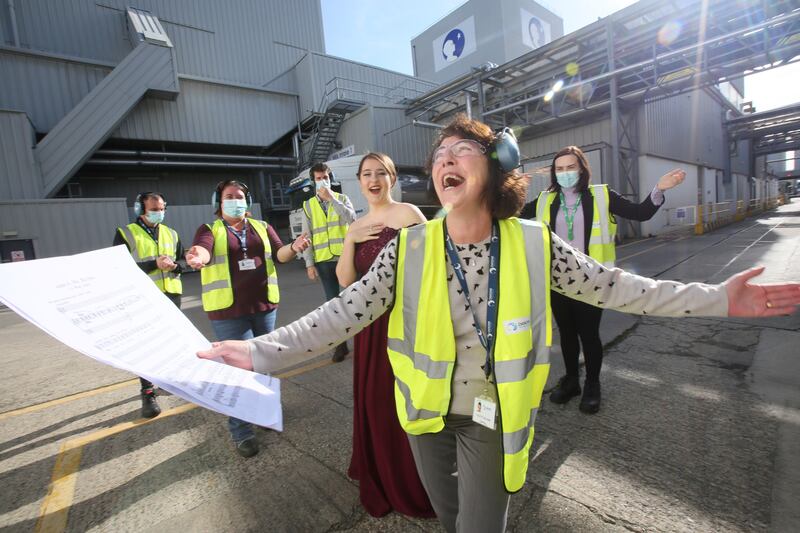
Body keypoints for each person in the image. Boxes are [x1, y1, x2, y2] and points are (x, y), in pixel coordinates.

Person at [198, 116, 800, 532]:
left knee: (482, 526)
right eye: (438, 155)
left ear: (496, 165)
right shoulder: (408, 249)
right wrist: (260, 352)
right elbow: (340, 313)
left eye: (460, 150)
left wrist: (718, 299)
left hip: (491, 416)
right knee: (451, 518)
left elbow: (620, 287)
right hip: (424, 416)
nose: (444, 159)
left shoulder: (535, 243)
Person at [520, 146, 685, 414]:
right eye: (559, 169)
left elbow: (641, 213)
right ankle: (571, 381)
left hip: (591, 280)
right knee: (567, 334)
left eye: (570, 167)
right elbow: (511, 217)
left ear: (582, 169)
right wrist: (512, 189)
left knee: (589, 334)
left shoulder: (601, 195)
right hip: (557, 281)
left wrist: (659, 189)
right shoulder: (543, 200)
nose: (565, 173)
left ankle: (592, 385)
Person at [334, 152, 434, 518]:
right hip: (370, 327)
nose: (373, 180)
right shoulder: (357, 224)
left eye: (381, 173)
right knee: (377, 401)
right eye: (366, 174)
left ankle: (414, 479)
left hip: (406, 323)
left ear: (392, 178)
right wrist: (350, 238)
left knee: (407, 400)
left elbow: (432, 269)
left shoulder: (409, 214)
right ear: (359, 181)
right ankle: (381, 471)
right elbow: (346, 280)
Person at [184, 180, 310, 458]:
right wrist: (197, 256)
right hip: (229, 312)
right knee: (239, 372)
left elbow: (280, 254)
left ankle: (265, 412)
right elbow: (203, 249)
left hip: (264, 307)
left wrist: (295, 246)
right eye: (229, 196)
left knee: (264, 364)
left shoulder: (262, 227)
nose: (235, 200)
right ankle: (241, 430)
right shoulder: (210, 230)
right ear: (219, 203)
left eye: (239, 196)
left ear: (247, 201)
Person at [114, 192, 183, 419]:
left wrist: (174, 266)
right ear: (140, 210)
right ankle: (147, 391)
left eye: (162, 209)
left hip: (171, 294)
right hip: (143, 297)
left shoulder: (172, 233)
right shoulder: (126, 233)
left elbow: (182, 263)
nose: (159, 213)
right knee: (146, 346)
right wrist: (154, 264)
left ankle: (168, 380)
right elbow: (118, 268)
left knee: (170, 342)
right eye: (154, 209)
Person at [301, 162, 357, 362]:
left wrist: (332, 199)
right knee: (332, 306)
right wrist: (309, 263)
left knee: (355, 301)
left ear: (330, 178)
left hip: (346, 258)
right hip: (324, 261)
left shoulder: (342, 198)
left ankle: (363, 340)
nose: (323, 181)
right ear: (313, 181)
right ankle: (340, 346)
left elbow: (353, 221)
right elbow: (306, 236)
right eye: (318, 178)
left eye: (325, 177)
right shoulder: (308, 205)